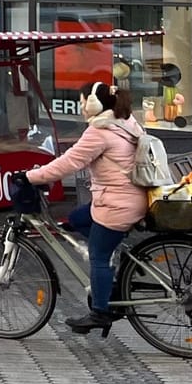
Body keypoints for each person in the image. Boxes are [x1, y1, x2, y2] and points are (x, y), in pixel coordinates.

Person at [18, 81, 147, 335]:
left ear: (93, 104)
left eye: (81, 101)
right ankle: (116, 254)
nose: (79, 106)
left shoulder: (99, 131)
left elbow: (70, 163)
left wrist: (30, 177)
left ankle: (100, 311)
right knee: (76, 218)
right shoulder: (126, 122)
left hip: (117, 204)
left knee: (98, 256)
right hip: (132, 199)